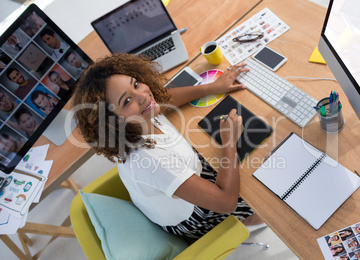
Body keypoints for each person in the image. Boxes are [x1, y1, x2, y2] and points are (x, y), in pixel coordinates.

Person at [72, 54, 269, 239]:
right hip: (193, 215)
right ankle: (251, 220)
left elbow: (164, 99)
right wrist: (229, 142)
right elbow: (226, 202)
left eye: (136, 84)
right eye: (127, 100)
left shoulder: (141, 116)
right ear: (112, 122)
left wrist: (212, 88)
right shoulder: (152, 160)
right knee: (259, 193)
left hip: (178, 181)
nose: (143, 95)